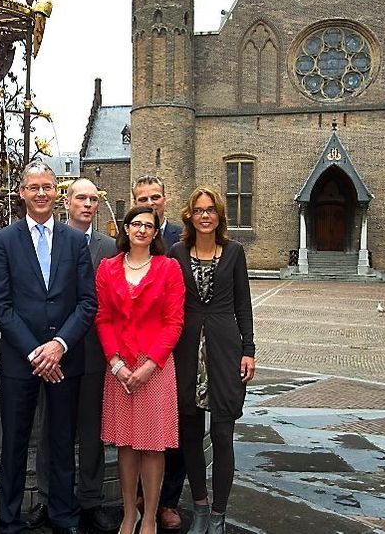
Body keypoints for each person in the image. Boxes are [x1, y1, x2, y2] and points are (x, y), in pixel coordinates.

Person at [0, 161, 97, 534]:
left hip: (66, 359)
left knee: (63, 442)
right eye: (33, 187)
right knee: (15, 442)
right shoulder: (4, 240)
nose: (40, 193)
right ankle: (9, 518)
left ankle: (64, 516)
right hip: (23, 361)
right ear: (22, 193)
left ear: (56, 192)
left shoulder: (74, 240)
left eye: (47, 187)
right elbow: (1, 305)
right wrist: (37, 352)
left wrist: (59, 345)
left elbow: (87, 302)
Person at [29, 178, 119, 532]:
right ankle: (47, 498)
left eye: (93, 199)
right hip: (53, 354)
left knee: (92, 430)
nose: (87, 205)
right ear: (67, 202)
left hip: (95, 352)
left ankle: (91, 499)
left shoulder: (110, 247)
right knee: (49, 427)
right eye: (81, 198)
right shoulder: (47, 239)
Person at [169, 187, 255, 534]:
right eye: (199, 210)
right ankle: (200, 508)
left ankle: (219, 514)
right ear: (189, 215)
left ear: (219, 216)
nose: (205, 216)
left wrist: (249, 349)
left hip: (223, 350)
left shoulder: (234, 253)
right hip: (187, 350)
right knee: (190, 434)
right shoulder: (176, 252)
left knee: (222, 434)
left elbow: (243, 305)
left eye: (211, 210)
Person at [96, 206, 184, 534]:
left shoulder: (168, 268)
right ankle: (128, 513)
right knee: (127, 445)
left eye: (150, 225)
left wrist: (150, 365)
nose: (143, 230)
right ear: (126, 228)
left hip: (155, 369)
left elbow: (174, 322)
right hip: (119, 368)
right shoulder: (107, 268)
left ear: (156, 232)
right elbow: (103, 317)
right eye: (137, 224)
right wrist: (115, 362)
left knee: (153, 445)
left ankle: (149, 518)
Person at [131, 174, 185, 529]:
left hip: (173, 344)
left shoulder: (183, 237)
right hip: (133, 350)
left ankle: (167, 501)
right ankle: (136, 497)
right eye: (143, 199)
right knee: (135, 429)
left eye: (156, 197)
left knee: (171, 427)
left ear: (165, 199)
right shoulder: (128, 236)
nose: (150, 203)